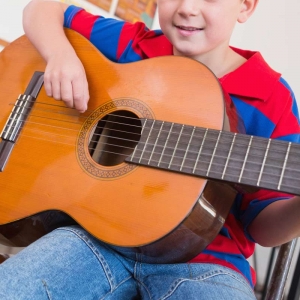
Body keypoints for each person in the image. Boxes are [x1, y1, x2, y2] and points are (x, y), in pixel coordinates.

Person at [0, 0, 299, 299]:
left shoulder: (274, 97)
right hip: (92, 239)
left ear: (245, 6)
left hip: (210, 265)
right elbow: (42, 8)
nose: (187, 8)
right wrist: (60, 56)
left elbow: (262, 226)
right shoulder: (135, 44)